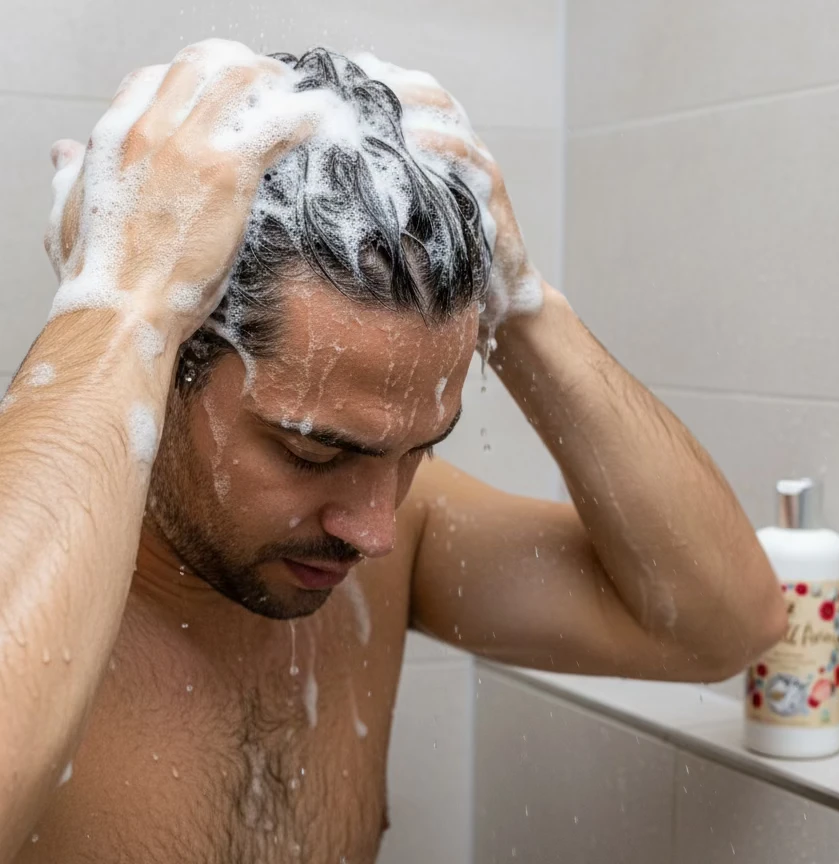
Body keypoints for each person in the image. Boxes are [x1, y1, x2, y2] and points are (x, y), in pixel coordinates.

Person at [0, 39, 786, 864]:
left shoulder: (395, 542)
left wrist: (522, 309)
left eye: (415, 452)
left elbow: (723, 625)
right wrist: (125, 306)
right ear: (168, 371)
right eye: (311, 453)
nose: (374, 526)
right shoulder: (43, 587)